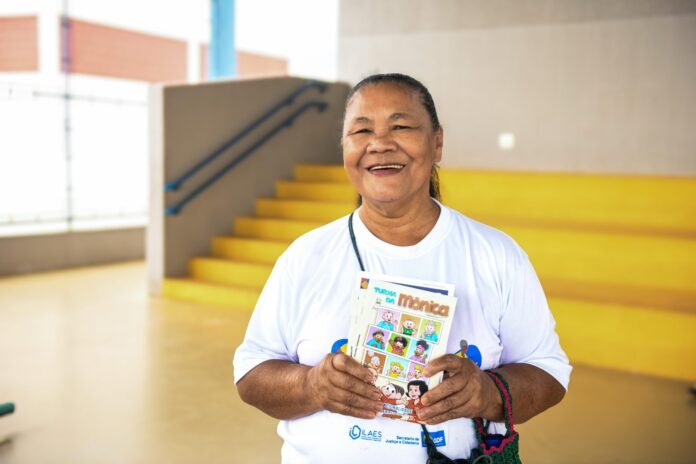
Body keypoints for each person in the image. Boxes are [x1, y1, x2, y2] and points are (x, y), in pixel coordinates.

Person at [234, 73, 571, 463]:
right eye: (361, 130)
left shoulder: (495, 255)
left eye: (401, 127)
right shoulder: (306, 256)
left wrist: (487, 393)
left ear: (437, 142)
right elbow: (251, 374)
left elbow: (549, 373)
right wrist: (311, 385)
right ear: (344, 147)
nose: (379, 144)